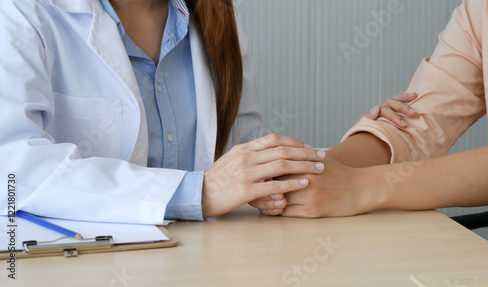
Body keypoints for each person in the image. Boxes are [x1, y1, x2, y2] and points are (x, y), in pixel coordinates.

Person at [0, 0, 327, 224]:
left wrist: (261, 183)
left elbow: (232, 152)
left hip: (201, 260)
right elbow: (13, 174)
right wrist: (197, 192)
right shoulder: (21, 13)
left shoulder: (217, 14)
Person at [250, 0, 488, 218]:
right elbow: (417, 125)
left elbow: (354, 187)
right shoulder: (483, 9)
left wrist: (359, 187)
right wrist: (304, 175)